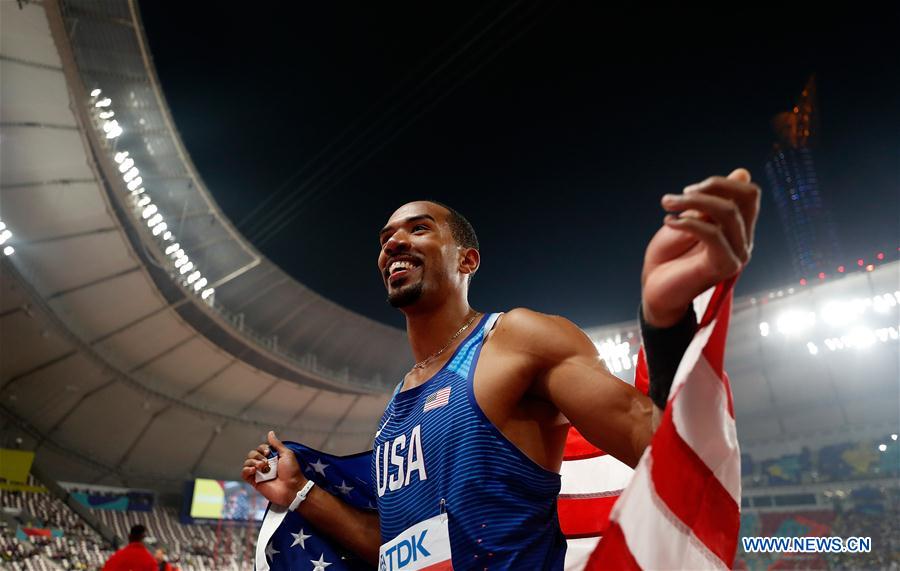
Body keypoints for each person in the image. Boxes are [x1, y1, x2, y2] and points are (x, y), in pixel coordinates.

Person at [242, 169, 760, 568]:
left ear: (467, 261)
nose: (393, 243)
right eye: (385, 238)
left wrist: (665, 322)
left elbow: (659, 445)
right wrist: (301, 495)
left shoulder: (517, 341)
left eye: (418, 230)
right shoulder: (398, 405)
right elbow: (393, 549)